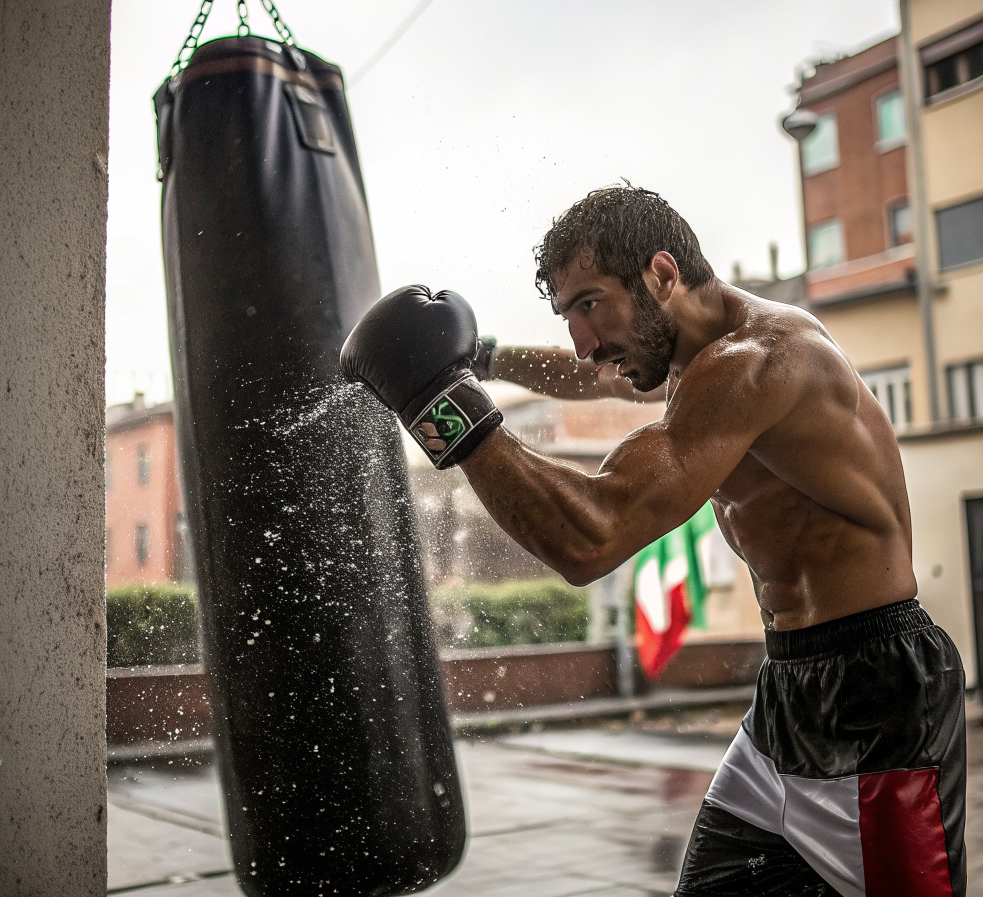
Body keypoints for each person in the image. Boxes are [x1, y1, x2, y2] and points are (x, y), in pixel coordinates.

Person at [341, 185, 966, 897]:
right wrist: (479, 356)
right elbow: (586, 374)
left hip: (877, 696)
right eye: (567, 314)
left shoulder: (757, 362)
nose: (583, 341)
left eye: (589, 304)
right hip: (790, 692)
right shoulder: (690, 354)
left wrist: (441, 401)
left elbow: (593, 536)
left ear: (662, 275)